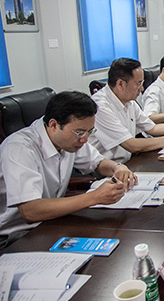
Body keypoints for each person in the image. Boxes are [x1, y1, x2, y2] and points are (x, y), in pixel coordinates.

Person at [0, 91, 136, 247]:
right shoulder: (19, 148)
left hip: (53, 222)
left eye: (89, 132)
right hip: (17, 236)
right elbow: (30, 211)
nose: (84, 139)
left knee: (118, 237)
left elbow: (97, 162)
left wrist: (118, 167)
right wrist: (95, 197)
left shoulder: (68, 140)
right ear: (53, 125)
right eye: (80, 132)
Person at [89, 58, 164, 162]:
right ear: (120, 84)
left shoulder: (130, 102)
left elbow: (153, 128)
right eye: (138, 83)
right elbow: (131, 144)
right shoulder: (100, 106)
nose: (142, 88)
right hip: (106, 170)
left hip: (128, 163)